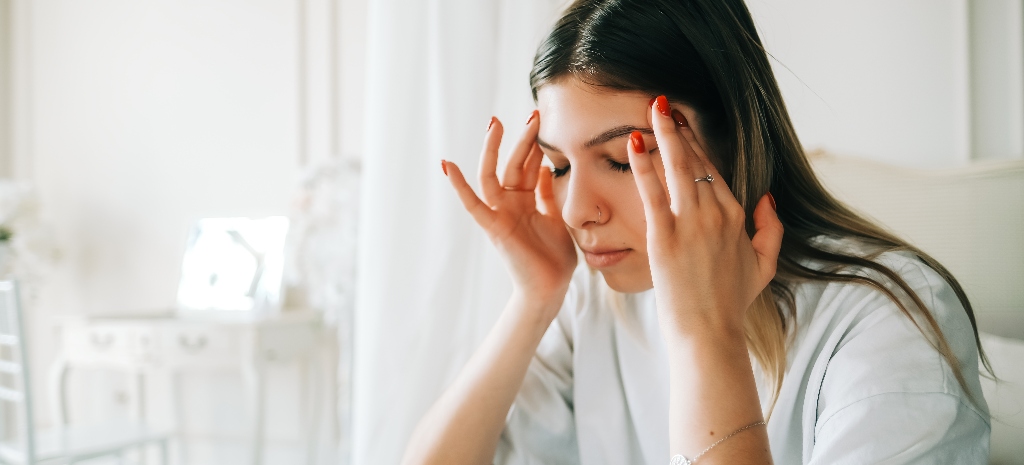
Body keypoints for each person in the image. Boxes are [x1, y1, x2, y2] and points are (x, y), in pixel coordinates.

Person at [403, 0, 992, 463]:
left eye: (621, 160)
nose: (577, 211)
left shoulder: (890, 320)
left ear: (733, 143)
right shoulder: (596, 300)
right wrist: (533, 299)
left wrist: (705, 335)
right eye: (558, 167)